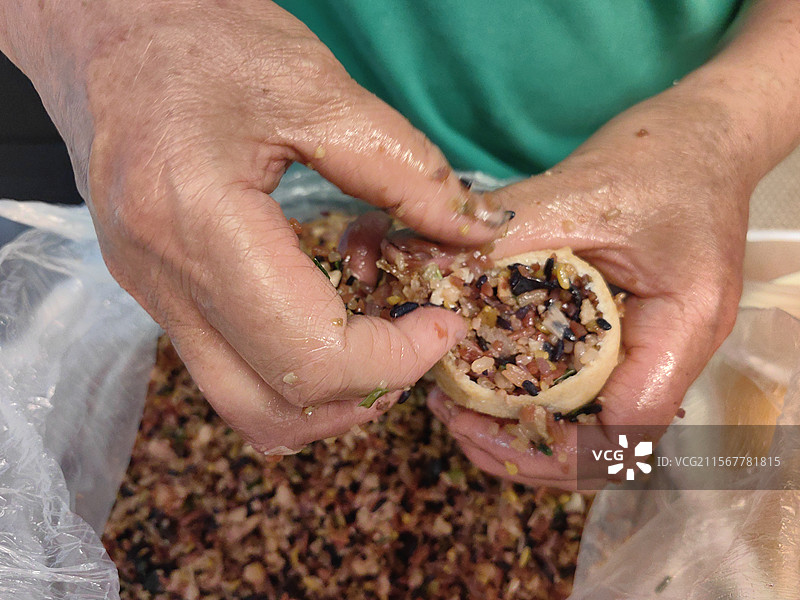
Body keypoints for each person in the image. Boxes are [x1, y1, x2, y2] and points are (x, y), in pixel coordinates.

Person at [1, 1, 798, 488]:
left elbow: (748, 469)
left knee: (661, 456)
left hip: (646, 161)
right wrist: (97, 28)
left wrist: (722, 134)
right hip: (210, 125)